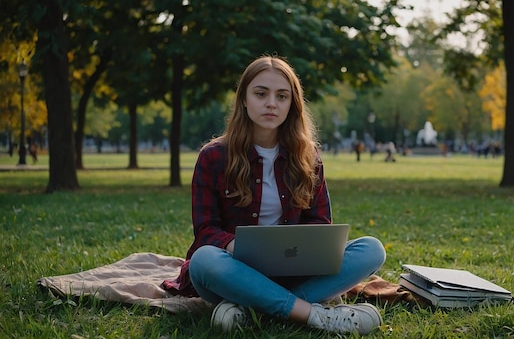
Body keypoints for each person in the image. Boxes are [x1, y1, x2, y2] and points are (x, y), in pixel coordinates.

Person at [162, 55, 386, 335]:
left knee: (371, 249)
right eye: (261, 94)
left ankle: (252, 308)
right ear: (243, 99)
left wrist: (305, 249)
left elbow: (319, 222)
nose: (271, 103)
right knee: (204, 259)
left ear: (292, 104)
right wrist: (239, 248)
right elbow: (205, 231)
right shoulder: (214, 156)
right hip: (235, 270)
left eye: (282, 96)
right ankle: (315, 313)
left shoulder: (308, 157)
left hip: (292, 270)